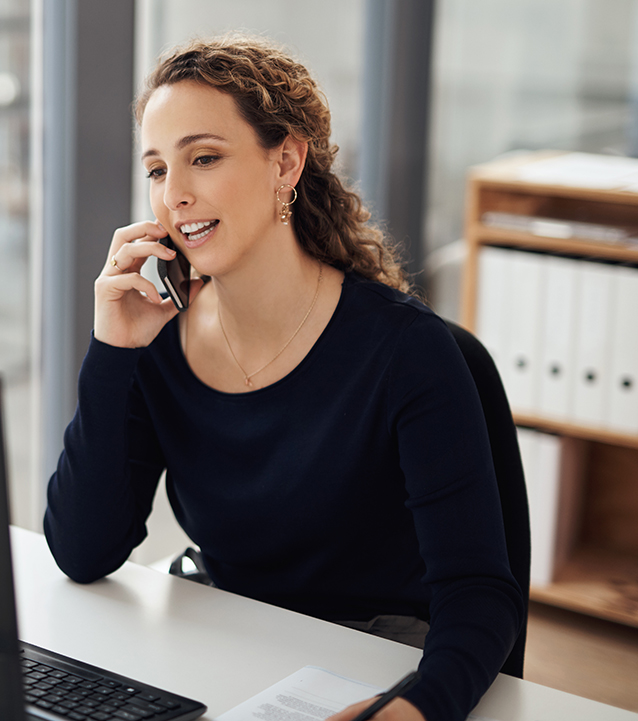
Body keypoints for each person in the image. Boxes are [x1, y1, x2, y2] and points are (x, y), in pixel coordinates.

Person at [42, 35, 524, 721]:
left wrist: (415, 709)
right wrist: (111, 351)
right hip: (229, 646)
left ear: (286, 163)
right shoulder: (158, 342)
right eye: (156, 169)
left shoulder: (406, 351)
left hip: (379, 657)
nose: (175, 195)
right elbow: (82, 551)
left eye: (204, 158)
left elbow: (479, 592)